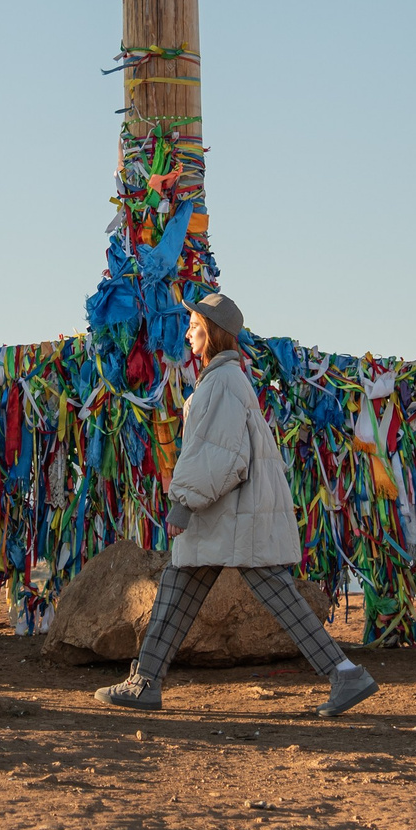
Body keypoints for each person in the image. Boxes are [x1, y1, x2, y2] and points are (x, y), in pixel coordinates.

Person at [93, 292, 379, 718]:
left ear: (212, 333)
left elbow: (221, 456)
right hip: (231, 513)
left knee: (261, 592)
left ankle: (344, 672)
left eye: (194, 324)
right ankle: (145, 681)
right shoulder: (223, 379)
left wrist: (183, 504)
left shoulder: (222, 382)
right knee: (181, 587)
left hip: (233, 513)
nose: (187, 331)